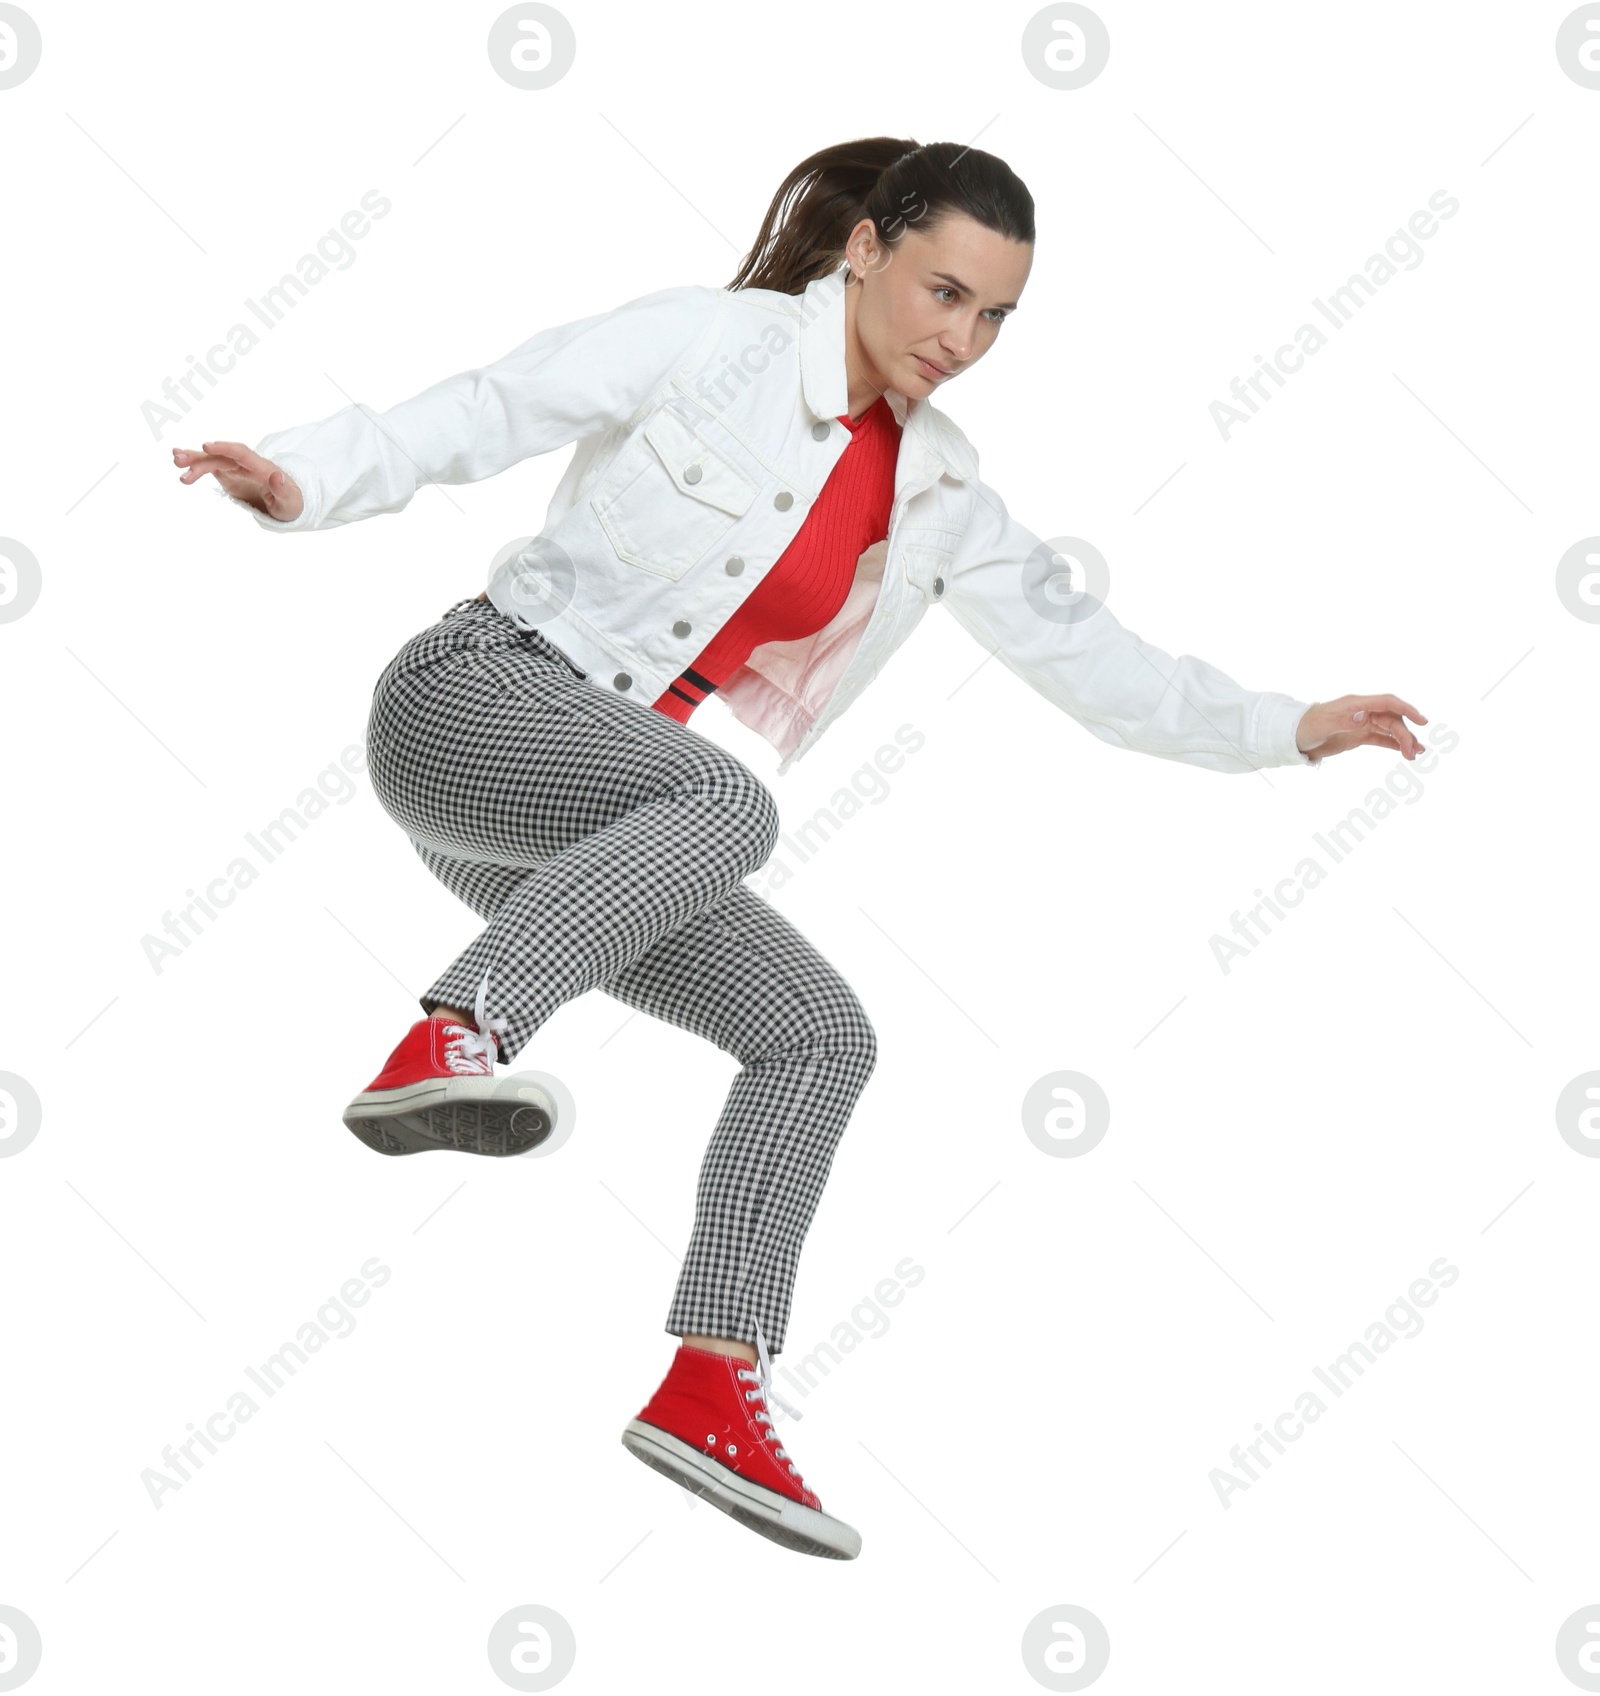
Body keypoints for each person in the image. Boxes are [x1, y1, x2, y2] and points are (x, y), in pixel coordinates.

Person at [172, 137, 1427, 1562]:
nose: (962, 339)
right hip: (477, 700)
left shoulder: (943, 490)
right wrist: (304, 478)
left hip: (577, 842)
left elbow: (1092, 657)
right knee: (731, 803)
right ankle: (454, 1033)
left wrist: (1288, 725)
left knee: (821, 1032)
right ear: (868, 250)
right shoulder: (713, 342)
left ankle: (714, 1375)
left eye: (996, 316)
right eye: (944, 292)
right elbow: (490, 406)